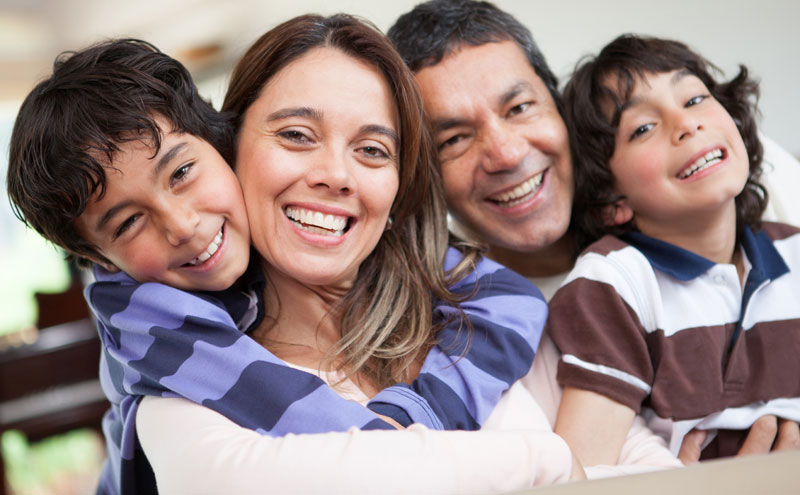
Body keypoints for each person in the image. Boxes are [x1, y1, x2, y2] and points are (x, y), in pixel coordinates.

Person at [6, 37, 551, 494]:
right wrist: (535, 458)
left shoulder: (400, 264)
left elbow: (514, 299)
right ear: (98, 260)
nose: (181, 225)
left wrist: (428, 406)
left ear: (218, 142)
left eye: (182, 173)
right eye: (127, 224)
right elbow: (359, 461)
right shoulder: (150, 331)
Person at [132, 14, 586, 493]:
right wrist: (546, 457)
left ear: (397, 192)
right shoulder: (181, 397)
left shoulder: (469, 338)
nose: (337, 174)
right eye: (296, 135)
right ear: (229, 149)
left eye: (372, 150)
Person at [389, 0, 800, 467]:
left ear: (560, 106)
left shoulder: (730, 172)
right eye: (454, 139)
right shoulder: (465, 330)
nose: (504, 153)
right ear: (423, 176)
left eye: (520, 107)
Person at [547, 33, 800, 466]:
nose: (686, 124)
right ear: (612, 200)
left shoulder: (794, 250)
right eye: (643, 128)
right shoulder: (615, 283)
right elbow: (583, 474)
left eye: (695, 98)